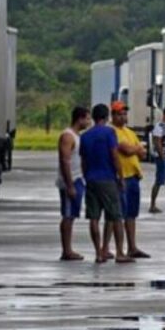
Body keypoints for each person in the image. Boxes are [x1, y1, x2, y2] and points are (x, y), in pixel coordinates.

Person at [79, 103, 133, 264]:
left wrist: (86, 176)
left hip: (91, 179)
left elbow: (83, 160)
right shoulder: (109, 133)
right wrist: (121, 178)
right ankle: (119, 253)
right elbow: (114, 156)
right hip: (108, 179)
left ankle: (98, 253)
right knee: (116, 216)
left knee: (94, 217)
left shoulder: (85, 136)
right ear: (106, 117)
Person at [106, 101, 150, 259]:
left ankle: (132, 247)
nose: (123, 116)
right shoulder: (111, 131)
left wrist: (136, 149)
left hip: (133, 176)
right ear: (113, 115)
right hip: (120, 177)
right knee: (116, 214)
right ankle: (107, 248)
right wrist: (136, 149)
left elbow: (142, 153)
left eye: (125, 113)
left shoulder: (129, 132)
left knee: (131, 214)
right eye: (119, 114)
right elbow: (127, 149)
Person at [56, 106, 90, 261]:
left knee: (72, 215)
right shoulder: (68, 136)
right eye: (87, 118)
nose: (89, 122)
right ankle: (66, 250)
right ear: (80, 119)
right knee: (68, 215)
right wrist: (69, 184)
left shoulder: (78, 136)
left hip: (78, 179)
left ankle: (68, 249)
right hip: (71, 180)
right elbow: (65, 160)